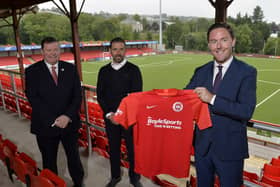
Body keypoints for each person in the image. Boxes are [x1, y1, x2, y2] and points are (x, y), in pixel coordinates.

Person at [185, 23, 257, 187]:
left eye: (223, 40)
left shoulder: (247, 72)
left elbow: (246, 111)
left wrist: (212, 99)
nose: (218, 46)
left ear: (233, 42)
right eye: (213, 41)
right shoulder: (201, 71)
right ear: (209, 45)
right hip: (202, 148)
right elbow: (185, 99)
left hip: (230, 150)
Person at [25, 37, 84, 187]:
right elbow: (33, 98)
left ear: (60, 50)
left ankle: (79, 183)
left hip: (69, 124)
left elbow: (77, 95)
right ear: (42, 51)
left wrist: (67, 116)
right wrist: (54, 119)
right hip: (46, 126)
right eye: (49, 50)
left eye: (55, 49)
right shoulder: (32, 71)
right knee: (49, 162)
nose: (53, 53)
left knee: (74, 159)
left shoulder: (70, 69)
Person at [96, 37, 143, 187]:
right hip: (111, 119)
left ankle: (134, 178)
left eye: (121, 49)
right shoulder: (103, 71)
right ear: (110, 51)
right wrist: (110, 114)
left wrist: (122, 116)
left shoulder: (134, 70)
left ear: (125, 50)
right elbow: (101, 95)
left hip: (129, 119)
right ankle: (115, 176)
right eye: (115, 49)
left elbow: (136, 96)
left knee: (132, 150)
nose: (118, 52)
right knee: (114, 149)